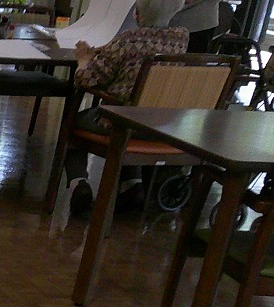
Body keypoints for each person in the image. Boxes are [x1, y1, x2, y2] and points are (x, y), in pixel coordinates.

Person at [61, 0, 188, 217]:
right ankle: (133, 185)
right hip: (161, 125)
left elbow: (87, 79)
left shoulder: (128, 39)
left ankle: (78, 184)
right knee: (138, 113)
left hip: (120, 123)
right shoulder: (181, 38)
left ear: (137, 13)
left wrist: (84, 59)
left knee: (72, 123)